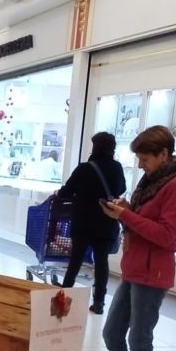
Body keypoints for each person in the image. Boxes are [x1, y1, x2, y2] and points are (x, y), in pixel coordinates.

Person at [88, 125, 176, 351]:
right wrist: (126, 210)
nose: (140, 164)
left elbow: (166, 235)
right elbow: (142, 220)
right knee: (111, 332)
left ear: (164, 154)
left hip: (153, 272)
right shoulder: (153, 181)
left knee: (140, 339)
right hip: (135, 268)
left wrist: (127, 215)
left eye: (145, 158)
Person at [58, 132, 127, 314]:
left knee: (75, 261)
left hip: (83, 222)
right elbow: (122, 189)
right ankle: (99, 302)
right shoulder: (117, 167)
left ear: (95, 146)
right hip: (106, 222)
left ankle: (63, 298)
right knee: (102, 262)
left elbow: (66, 191)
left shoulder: (84, 168)